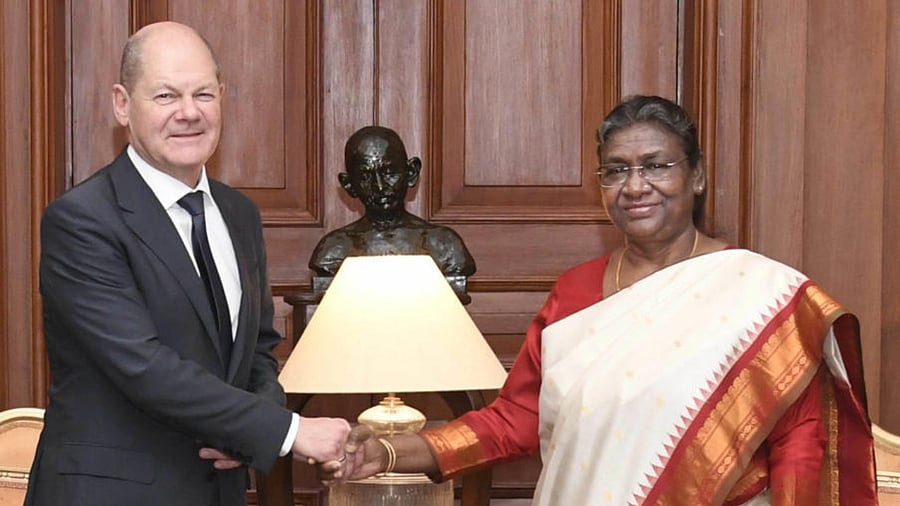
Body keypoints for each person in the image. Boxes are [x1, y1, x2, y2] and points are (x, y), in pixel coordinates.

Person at [319, 96, 878, 505]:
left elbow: (801, 448)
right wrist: (390, 452)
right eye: (616, 171)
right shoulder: (576, 293)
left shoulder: (763, 298)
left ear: (697, 176)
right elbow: (514, 420)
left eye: (656, 165)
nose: (635, 186)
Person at [25, 22, 350, 506]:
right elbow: (142, 365)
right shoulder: (82, 220)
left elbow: (259, 350)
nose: (189, 112)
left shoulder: (239, 214)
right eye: (165, 96)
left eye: (203, 94)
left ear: (222, 97)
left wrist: (244, 435)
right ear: (121, 104)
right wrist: (285, 430)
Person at [308, 125, 476, 281]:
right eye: (365, 176)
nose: (380, 187)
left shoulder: (445, 245)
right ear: (349, 185)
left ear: (411, 172)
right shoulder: (333, 250)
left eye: (389, 172)